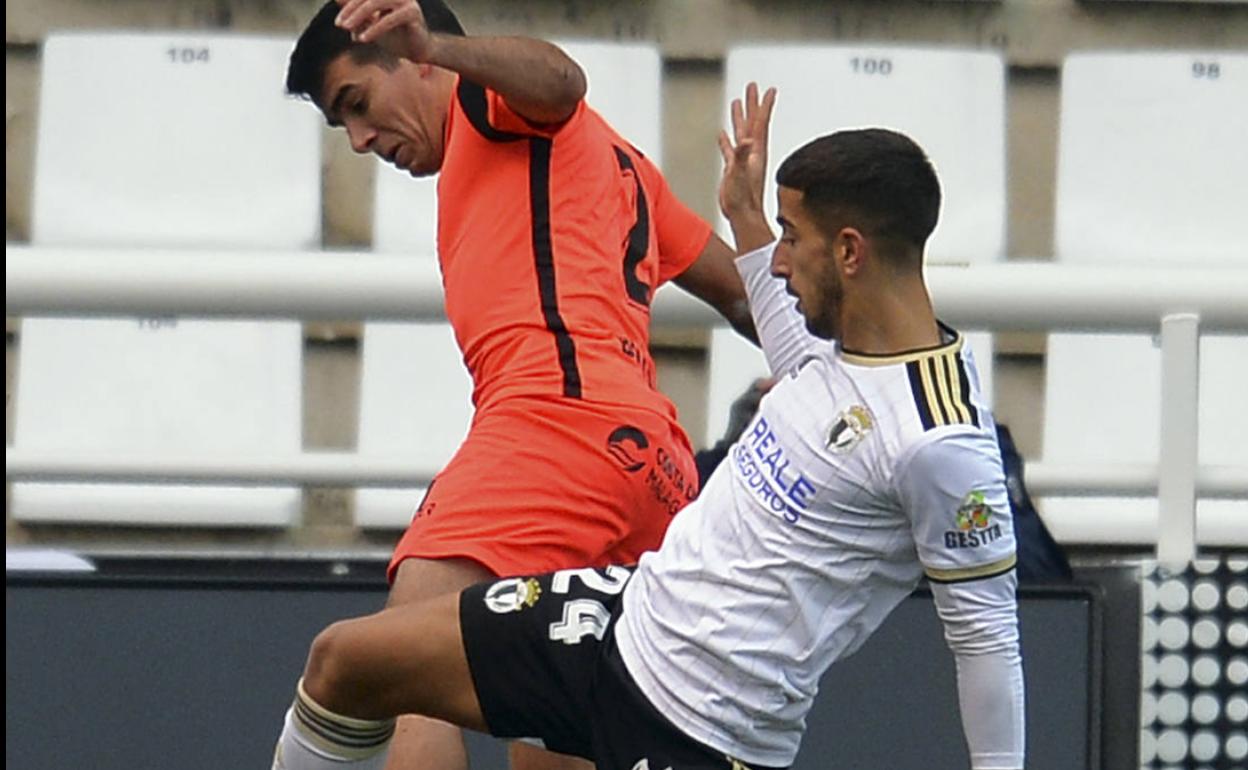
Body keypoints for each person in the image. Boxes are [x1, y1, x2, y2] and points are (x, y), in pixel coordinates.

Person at [271, 83, 1026, 770]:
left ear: (851, 252)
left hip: (698, 728)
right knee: (344, 663)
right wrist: (748, 219)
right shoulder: (848, 356)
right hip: (617, 619)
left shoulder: (943, 443)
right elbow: (805, 368)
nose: (779, 262)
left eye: (793, 239)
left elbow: (987, 637)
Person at [281, 2, 756, 770]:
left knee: (396, 663)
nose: (363, 141)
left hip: (553, 429)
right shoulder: (621, 164)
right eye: (344, 127)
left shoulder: (485, 105)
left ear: (419, 59)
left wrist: (442, 46)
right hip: (656, 477)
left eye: (358, 105)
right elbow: (745, 298)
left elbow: (560, 80)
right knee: (548, 730)